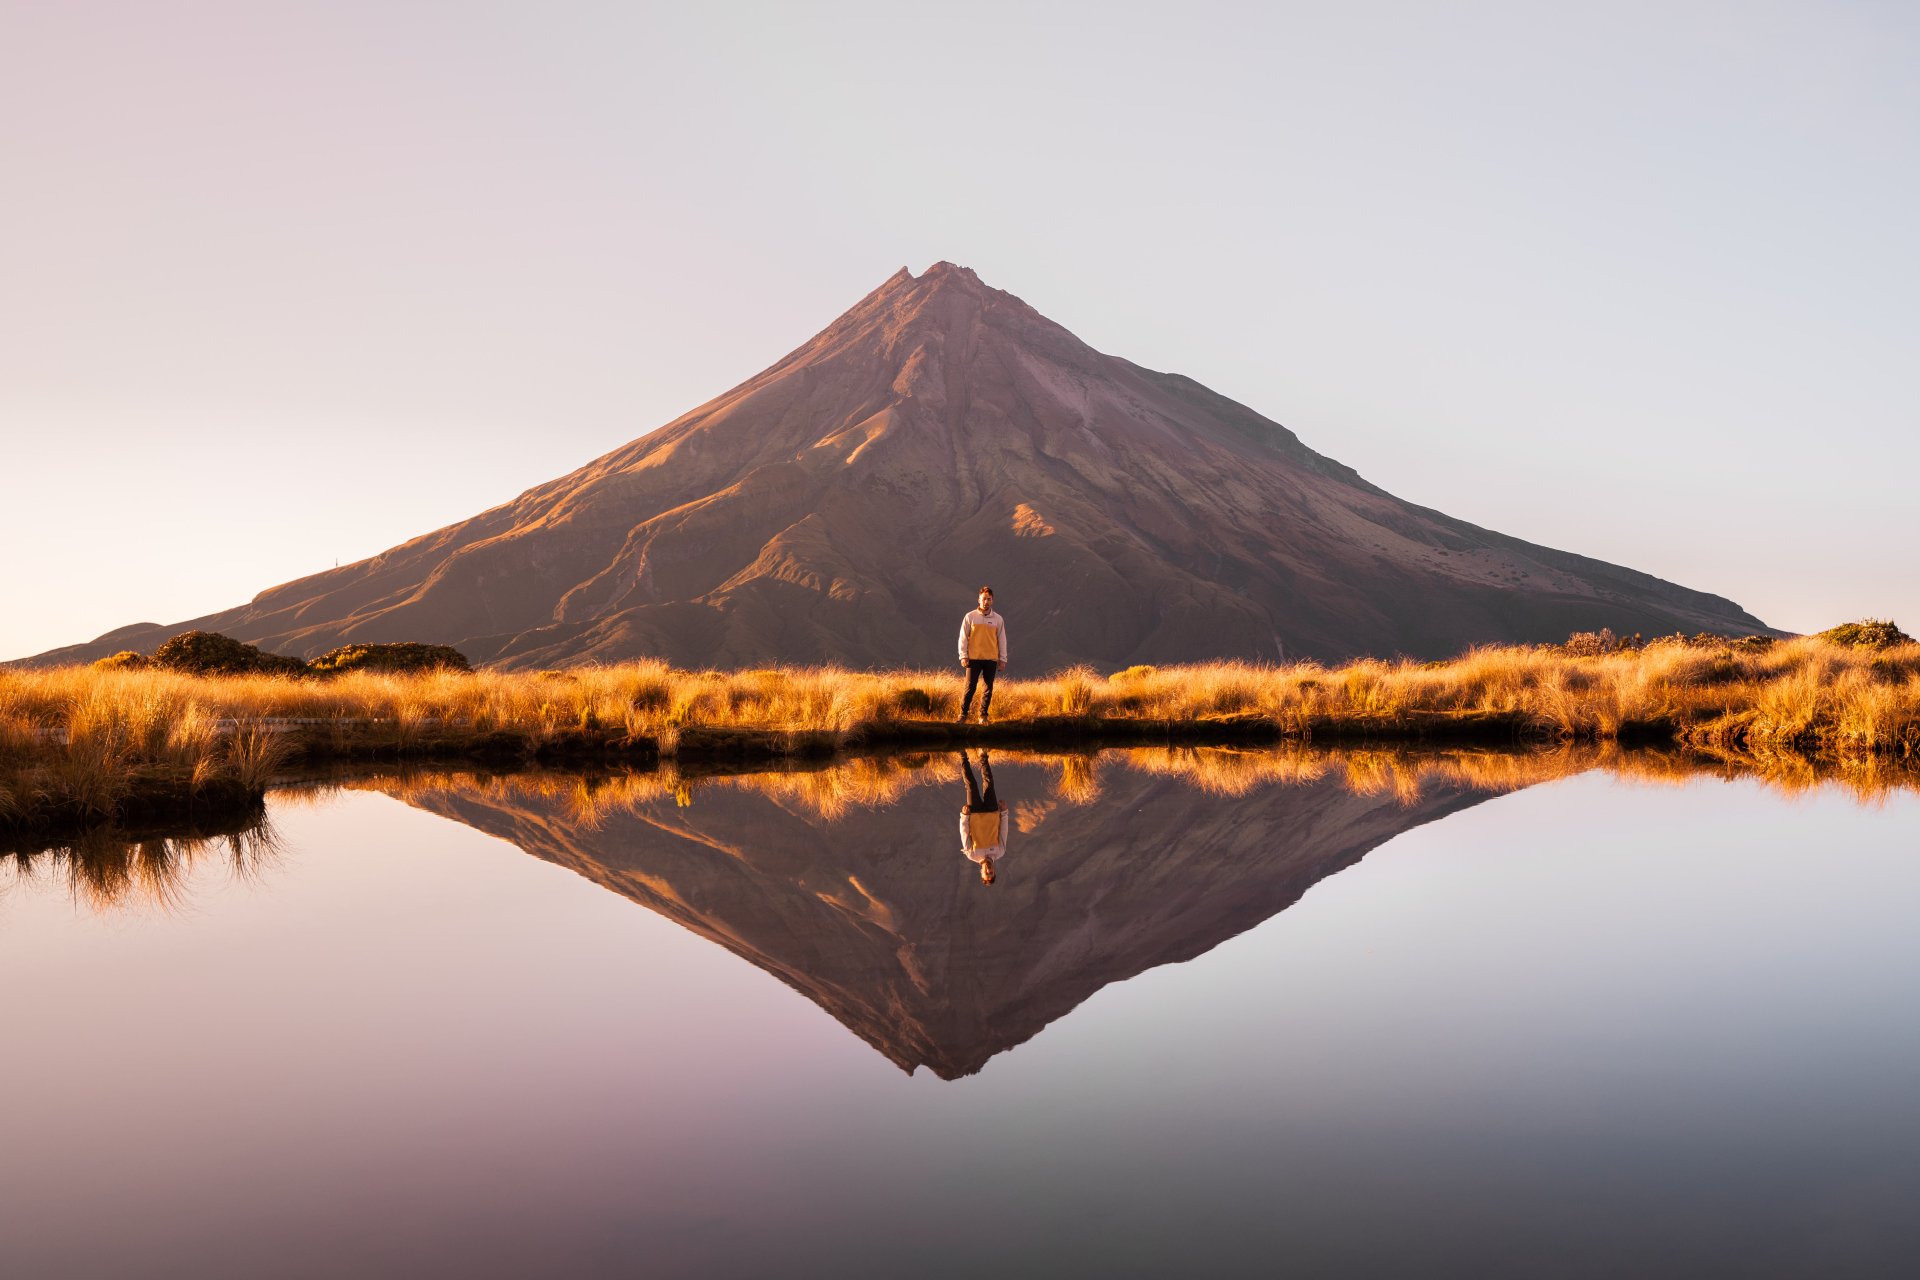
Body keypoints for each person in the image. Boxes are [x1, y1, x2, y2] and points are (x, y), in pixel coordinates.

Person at [956, 585, 1008, 723]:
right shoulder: (970, 617)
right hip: (973, 658)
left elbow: (1002, 640)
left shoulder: (998, 619)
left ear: (992, 601)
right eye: (984, 599)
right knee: (969, 687)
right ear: (979, 600)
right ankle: (963, 715)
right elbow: (963, 637)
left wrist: (1002, 659)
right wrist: (963, 656)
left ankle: (983, 716)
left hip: (990, 659)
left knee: (988, 689)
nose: (986, 602)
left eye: (989, 599)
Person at [958, 749, 1008, 885]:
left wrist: (964, 816)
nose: (989, 870)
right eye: (991, 873)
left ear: (981, 872)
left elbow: (965, 834)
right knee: (989, 783)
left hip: (974, 814)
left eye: (986, 873)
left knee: (971, 786)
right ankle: (983, 756)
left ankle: (963, 755)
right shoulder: (1000, 852)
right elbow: (1003, 831)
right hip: (992, 812)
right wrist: (1004, 812)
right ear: (995, 871)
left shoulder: (972, 855)